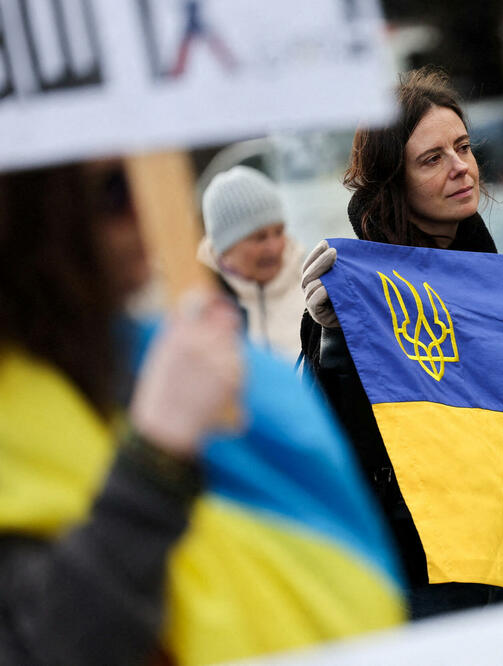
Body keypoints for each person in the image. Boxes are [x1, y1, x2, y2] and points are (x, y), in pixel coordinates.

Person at [0, 162, 403, 664]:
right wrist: (156, 459)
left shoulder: (146, 347)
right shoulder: (181, 319)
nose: (146, 208)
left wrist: (335, 340)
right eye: (115, 190)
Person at [300, 67, 503, 618]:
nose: (460, 168)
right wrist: (336, 341)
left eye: (464, 148)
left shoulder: (501, 280)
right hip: (417, 580)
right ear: (394, 181)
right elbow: (333, 442)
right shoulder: (348, 289)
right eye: (432, 159)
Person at [198, 165, 306, 360]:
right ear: (225, 248)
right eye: (259, 237)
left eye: (279, 232)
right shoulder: (202, 305)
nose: (274, 247)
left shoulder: (313, 293)